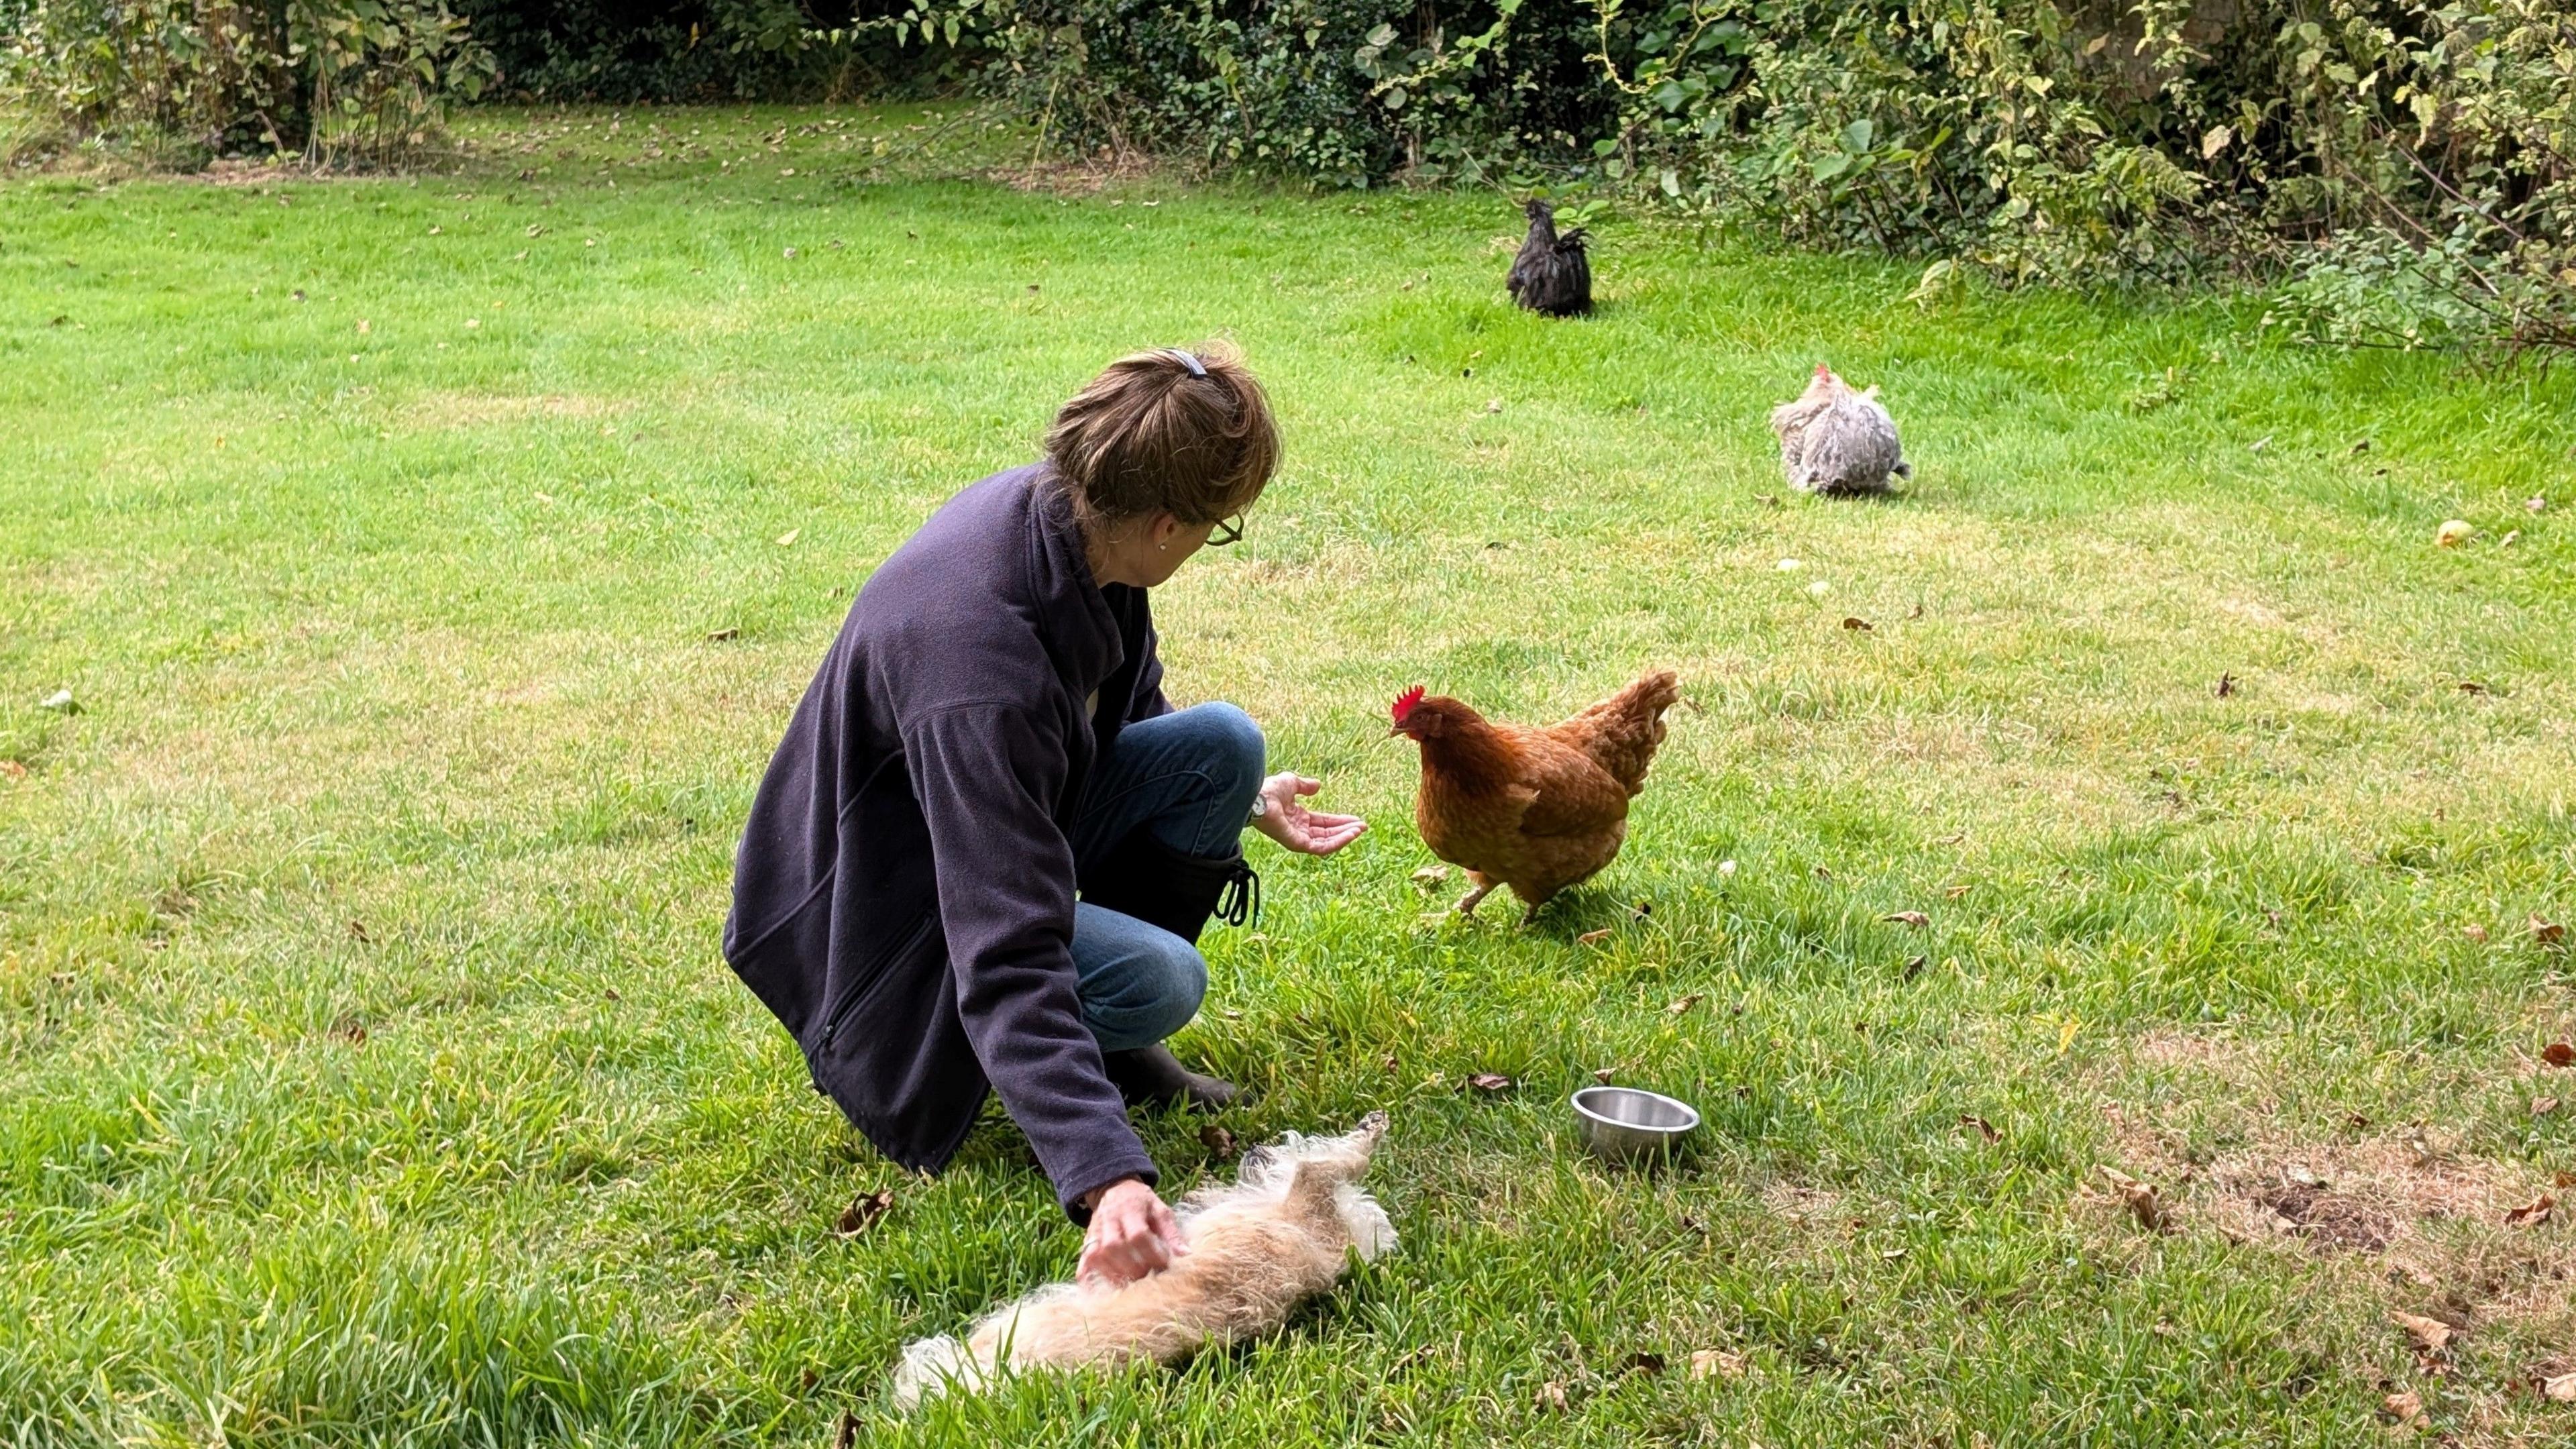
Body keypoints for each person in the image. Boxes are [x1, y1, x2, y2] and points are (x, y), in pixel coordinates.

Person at [724, 344, 1365, 1288]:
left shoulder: (1068, 522)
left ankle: (1105, 1049)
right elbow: (1004, 944)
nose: (1209, 545)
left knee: (1222, 747)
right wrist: (1105, 1175)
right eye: (1215, 529)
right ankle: (1091, 1065)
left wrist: (1241, 802)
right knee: (1163, 977)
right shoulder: (978, 670)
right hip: (882, 927)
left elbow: (1110, 701)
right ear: (1159, 523)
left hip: (969, 834)